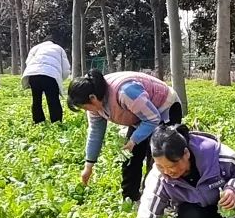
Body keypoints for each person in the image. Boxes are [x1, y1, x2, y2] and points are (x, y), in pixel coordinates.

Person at [67, 70, 182, 202]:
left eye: (84, 107)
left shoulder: (126, 92)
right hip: (140, 117)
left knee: (158, 159)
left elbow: (153, 119)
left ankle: (155, 200)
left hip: (165, 109)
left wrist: (133, 141)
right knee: (130, 158)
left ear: (92, 98)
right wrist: (88, 167)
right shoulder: (94, 105)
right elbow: (95, 133)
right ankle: (130, 199)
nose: (86, 110)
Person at [22, 40, 71, 124]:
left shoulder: (36, 48)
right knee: (53, 100)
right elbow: (66, 68)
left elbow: (28, 62)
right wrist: (60, 78)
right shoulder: (59, 48)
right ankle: (56, 122)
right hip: (50, 75)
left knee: (36, 100)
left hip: (34, 74)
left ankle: (38, 121)